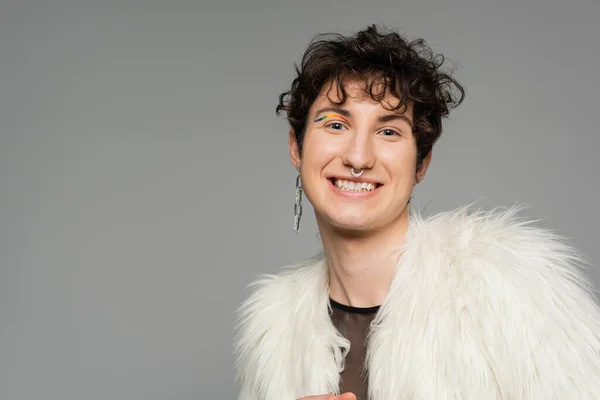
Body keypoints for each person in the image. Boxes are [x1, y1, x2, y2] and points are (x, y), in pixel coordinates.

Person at [233, 25, 600, 400]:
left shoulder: (511, 289)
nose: (358, 157)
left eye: (389, 132)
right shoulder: (273, 329)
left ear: (420, 163)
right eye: (336, 124)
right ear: (297, 147)